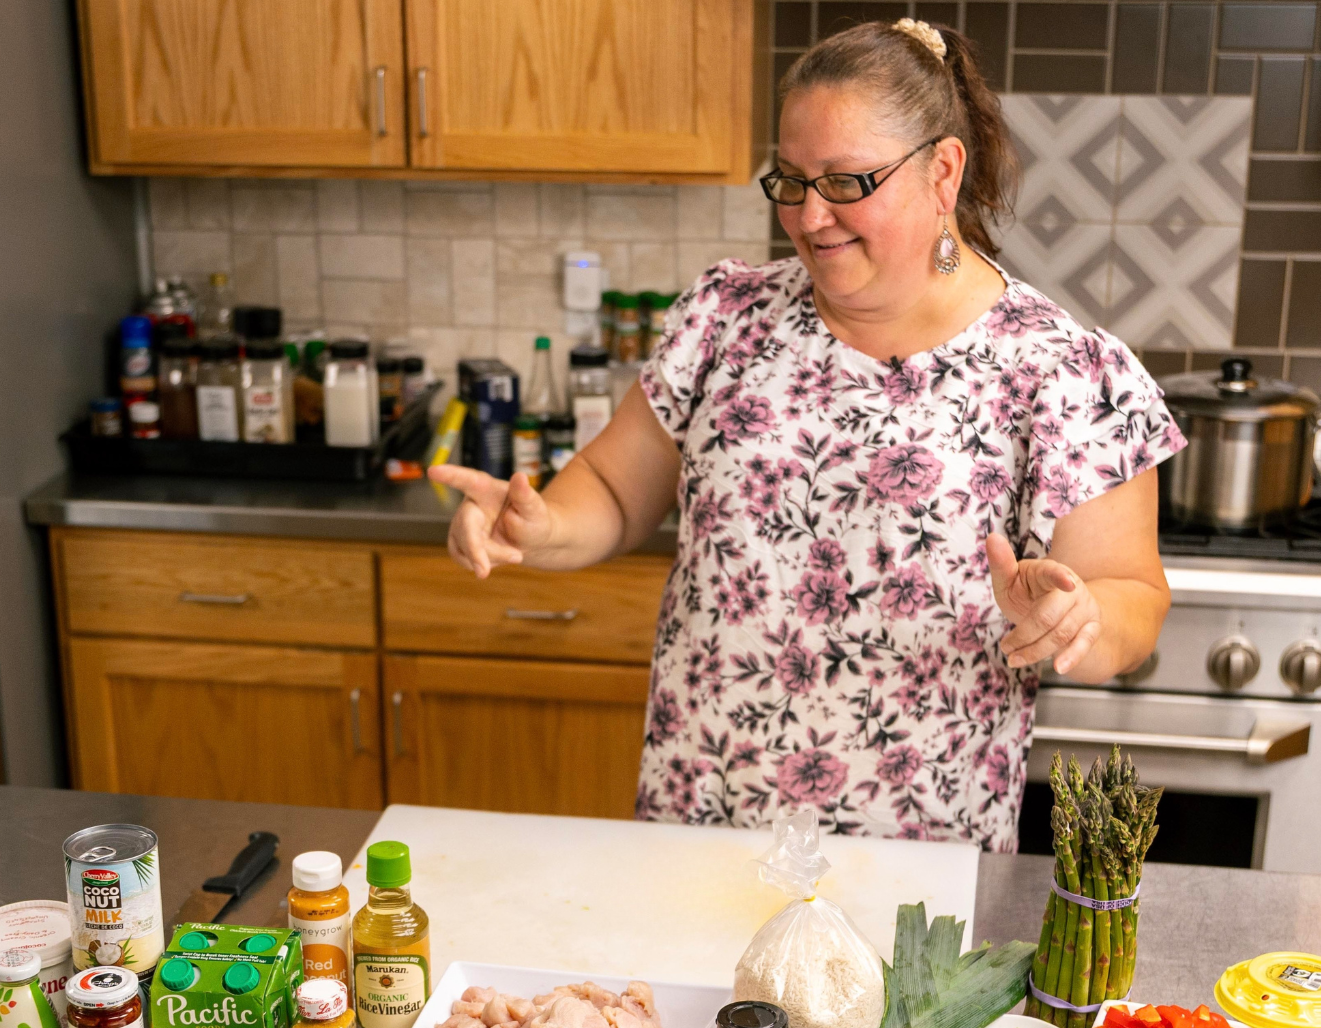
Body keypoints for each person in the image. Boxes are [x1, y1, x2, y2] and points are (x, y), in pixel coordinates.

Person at [429, 18, 1183, 848]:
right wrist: (538, 527)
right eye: (790, 180)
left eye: (847, 181)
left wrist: (1080, 621)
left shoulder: (1063, 370)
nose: (811, 216)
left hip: (918, 853)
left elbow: (1133, 597)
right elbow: (614, 489)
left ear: (943, 171)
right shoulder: (725, 317)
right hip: (702, 816)